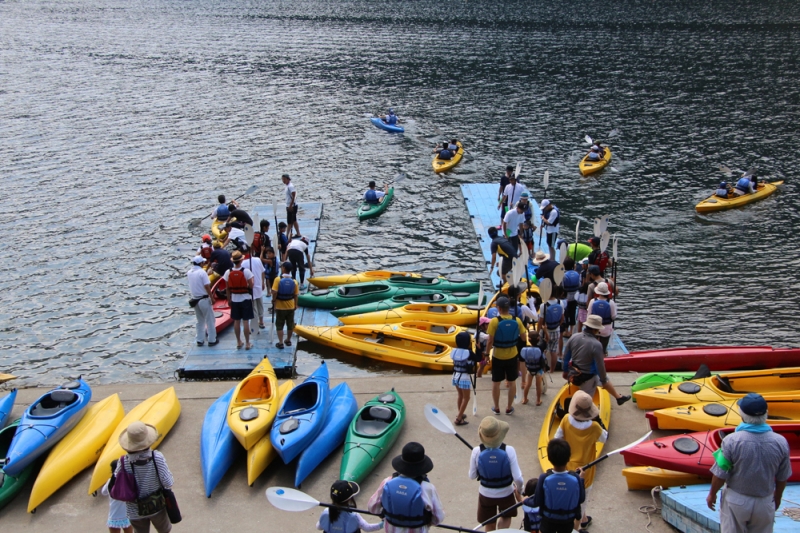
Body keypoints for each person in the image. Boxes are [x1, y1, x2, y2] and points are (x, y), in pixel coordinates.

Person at [706, 393, 792, 533]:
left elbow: (721, 473)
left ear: (742, 415)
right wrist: (777, 498)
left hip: (736, 500)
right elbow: (783, 477)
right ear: (766, 414)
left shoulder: (731, 441)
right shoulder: (780, 441)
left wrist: (712, 494)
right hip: (765, 501)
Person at [554, 391, 608, 531]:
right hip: (587, 470)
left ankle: (583, 519)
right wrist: (599, 421)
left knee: (570, 496)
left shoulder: (566, 419)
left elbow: (556, 438)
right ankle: (577, 526)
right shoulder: (595, 428)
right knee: (582, 500)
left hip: (568, 467)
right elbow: (604, 437)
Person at [368, 442, 445, 533]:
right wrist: (425, 522)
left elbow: (372, 508)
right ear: (422, 467)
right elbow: (438, 517)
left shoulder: (387, 482)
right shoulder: (428, 488)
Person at [114, 422, 175, 533]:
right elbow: (168, 482)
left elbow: (116, 478)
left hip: (134, 510)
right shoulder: (157, 457)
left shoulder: (123, 461)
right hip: (157, 507)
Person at [469, 417, 524, 532]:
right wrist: (520, 490)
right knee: (506, 516)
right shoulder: (509, 450)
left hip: (486, 494)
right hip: (506, 492)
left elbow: (472, 476)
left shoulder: (476, 451)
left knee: (489, 522)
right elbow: (518, 477)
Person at [561, 315, 630, 405]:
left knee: (606, 378)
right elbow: (600, 366)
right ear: (595, 330)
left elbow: (565, 357)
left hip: (574, 373)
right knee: (586, 403)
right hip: (587, 378)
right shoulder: (596, 344)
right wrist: (604, 381)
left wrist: (565, 371)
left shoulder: (574, 337)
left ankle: (618, 397)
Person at [486, 296, 528, 415]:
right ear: (508, 307)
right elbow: (524, 338)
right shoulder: (517, 320)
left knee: (496, 382)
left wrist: (486, 354)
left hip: (498, 356)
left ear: (498, 308)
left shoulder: (494, 321)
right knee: (512, 382)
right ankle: (509, 407)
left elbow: (490, 341)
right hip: (512, 355)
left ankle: (497, 407)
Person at [533, 439, 585, 533]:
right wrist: (581, 479)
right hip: (567, 521)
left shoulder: (544, 478)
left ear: (549, 458)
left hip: (548, 521)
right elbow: (581, 499)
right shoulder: (576, 478)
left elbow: (537, 501)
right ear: (569, 458)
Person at [317, 480, 383, 533]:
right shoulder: (354, 515)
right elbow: (367, 528)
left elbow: (319, 527)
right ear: (349, 499)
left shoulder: (326, 512)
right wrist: (384, 523)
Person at [223, 250, 254, 350]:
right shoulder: (246, 271)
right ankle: (248, 343)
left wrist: (229, 299)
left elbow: (227, 288)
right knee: (246, 321)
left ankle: (238, 342)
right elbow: (251, 285)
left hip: (235, 299)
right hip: (245, 298)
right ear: (241, 260)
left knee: (236, 321)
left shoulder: (228, 272)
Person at [187, 256, 217, 347]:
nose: (204, 263)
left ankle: (200, 340)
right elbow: (207, 286)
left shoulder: (189, 272)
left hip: (195, 299)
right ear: (200, 263)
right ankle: (212, 340)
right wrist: (212, 298)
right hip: (203, 299)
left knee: (200, 321)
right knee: (210, 320)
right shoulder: (202, 272)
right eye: (203, 262)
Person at [272, 261, 299, 349]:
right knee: (290, 324)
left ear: (283, 269)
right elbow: (295, 295)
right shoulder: (294, 281)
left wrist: (274, 301)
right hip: (290, 306)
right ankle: (288, 340)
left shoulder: (277, 279)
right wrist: (295, 305)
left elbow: (274, 292)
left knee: (279, 324)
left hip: (280, 307)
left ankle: (280, 342)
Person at [451, 331, 475, 426]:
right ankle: (459, 418)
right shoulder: (468, 352)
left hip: (455, 376)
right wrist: (479, 348)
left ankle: (460, 413)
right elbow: (477, 358)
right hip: (464, 377)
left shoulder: (455, 351)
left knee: (460, 395)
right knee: (466, 397)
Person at [103, 459, 133, 533]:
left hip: (114, 516)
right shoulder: (127, 481)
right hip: (127, 515)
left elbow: (103, 492)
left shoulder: (110, 481)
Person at [586, 282, 616, 355]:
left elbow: (589, 315)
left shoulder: (593, 301)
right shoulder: (611, 303)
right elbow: (613, 316)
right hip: (606, 329)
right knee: (603, 348)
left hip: (594, 328)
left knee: (593, 348)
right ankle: (603, 358)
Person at [242, 244, 267, 331]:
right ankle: (261, 322)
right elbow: (263, 272)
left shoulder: (242, 264)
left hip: (250, 288)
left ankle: (255, 325)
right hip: (259, 286)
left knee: (253, 308)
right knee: (260, 305)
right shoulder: (257, 260)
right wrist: (263, 282)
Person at [539, 290, 564, 372]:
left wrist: (538, 331)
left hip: (546, 331)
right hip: (556, 330)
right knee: (553, 351)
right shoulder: (560, 302)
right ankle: (552, 370)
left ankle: (544, 369)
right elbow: (562, 318)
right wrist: (558, 325)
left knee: (543, 350)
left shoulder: (543, 305)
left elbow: (541, 320)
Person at [521, 331, 548, 406]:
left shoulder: (526, 349)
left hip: (530, 369)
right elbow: (547, 340)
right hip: (538, 370)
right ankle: (538, 400)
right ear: (538, 339)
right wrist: (545, 331)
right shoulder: (540, 347)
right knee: (538, 385)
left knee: (528, 384)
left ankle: (525, 399)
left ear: (529, 339)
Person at [561, 257, 580, 338]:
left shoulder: (564, 275)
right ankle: (572, 331)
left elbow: (562, 286)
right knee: (572, 313)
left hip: (566, 298)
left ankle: (566, 331)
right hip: (575, 297)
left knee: (566, 314)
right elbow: (579, 285)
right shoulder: (577, 274)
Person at [282, 174, 300, 238]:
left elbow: (293, 196)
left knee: (289, 221)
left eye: (284, 179)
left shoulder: (290, 186)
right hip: (289, 205)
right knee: (294, 220)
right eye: (282, 179)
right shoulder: (287, 186)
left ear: (288, 179)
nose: (283, 181)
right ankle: (298, 233)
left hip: (292, 206)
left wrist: (290, 206)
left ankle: (286, 235)